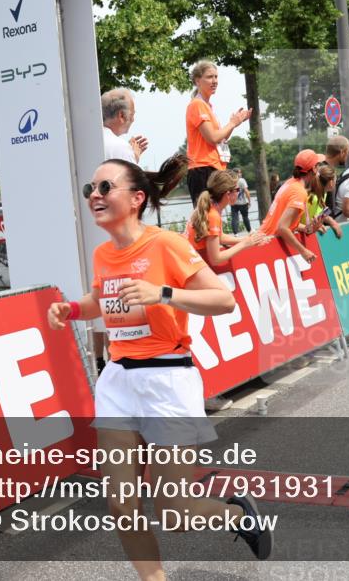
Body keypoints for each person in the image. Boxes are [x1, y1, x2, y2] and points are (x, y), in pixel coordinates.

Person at [46, 154, 273, 575]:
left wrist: (162, 294)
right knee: (121, 502)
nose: (94, 195)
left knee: (176, 512)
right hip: (118, 380)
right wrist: (73, 309)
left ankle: (239, 516)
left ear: (135, 198)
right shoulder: (102, 254)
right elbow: (103, 297)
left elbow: (223, 300)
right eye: (89, 190)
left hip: (167, 378)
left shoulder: (165, 244)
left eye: (104, 188)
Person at [185, 61, 252, 204]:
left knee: (213, 215)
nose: (214, 81)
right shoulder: (197, 105)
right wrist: (232, 123)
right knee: (206, 218)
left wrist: (236, 122)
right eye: (209, 77)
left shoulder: (207, 106)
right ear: (198, 81)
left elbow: (221, 137)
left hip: (212, 168)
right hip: (202, 169)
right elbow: (212, 138)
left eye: (216, 77)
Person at [187, 170, 271, 266]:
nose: (239, 193)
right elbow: (215, 259)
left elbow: (220, 237)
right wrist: (244, 244)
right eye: (238, 190)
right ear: (228, 194)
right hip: (191, 262)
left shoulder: (211, 205)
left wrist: (247, 239)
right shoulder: (213, 215)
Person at [260, 150, 323, 263]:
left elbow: (286, 221)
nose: (319, 170)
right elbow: (282, 227)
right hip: (269, 243)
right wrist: (303, 251)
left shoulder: (291, 182)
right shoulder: (299, 192)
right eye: (318, 166)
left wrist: (307, 228)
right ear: (313, 169)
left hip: (266, 239)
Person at [102, 88, 148, 163]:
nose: (133, 119)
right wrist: (133, 157)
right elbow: (131, 175)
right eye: (132, 114)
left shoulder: (86, 138)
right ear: (122, 116)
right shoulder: (121, 148)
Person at [305, 164, 343, 239]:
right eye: (336, 180)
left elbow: (321, 213)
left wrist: (332, 222)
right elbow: (300, 221)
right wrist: (313, 227)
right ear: (331, 182)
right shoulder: (312, 198)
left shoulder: (323, 194)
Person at [230, 167, 251, 234]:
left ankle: (235, 233)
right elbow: (246, 191)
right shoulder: (241, 180)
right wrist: (249, 201)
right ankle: (249, 231)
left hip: (233, 203)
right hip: (243, 202)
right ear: (236, 173)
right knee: (245, 217)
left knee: (234, 218)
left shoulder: (230, 180)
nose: (241, 174)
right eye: (239, 172)